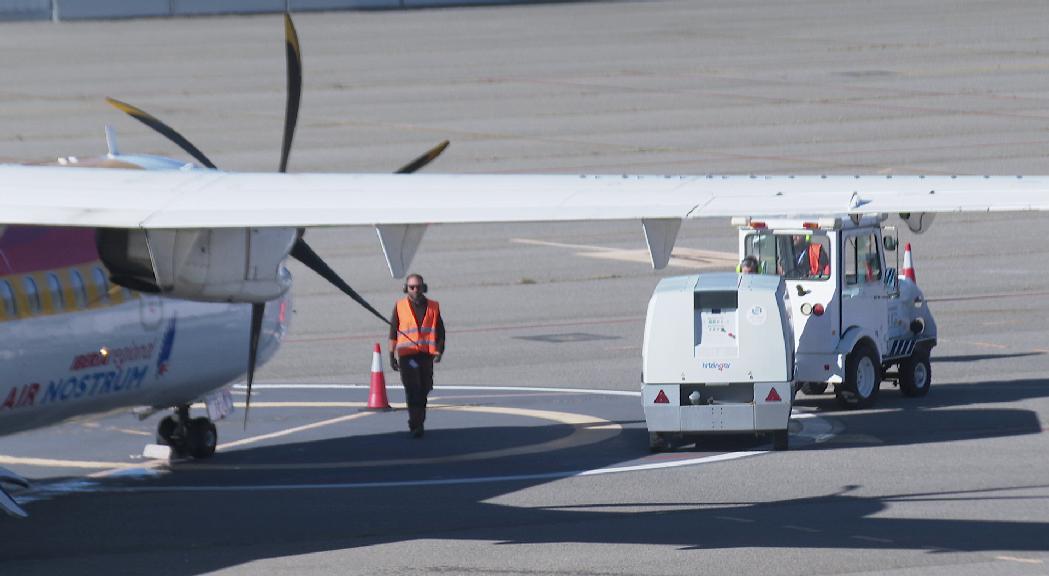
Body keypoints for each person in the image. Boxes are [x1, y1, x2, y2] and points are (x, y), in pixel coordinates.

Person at [388, 273, 445, 438]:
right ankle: (416, 424)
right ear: (406, 288)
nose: (415, 290)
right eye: (412, 287)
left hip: (426, 356)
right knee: (413, 389)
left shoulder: (433, 307)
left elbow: (440, 332)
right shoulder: (400, 307)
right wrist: (392, 355)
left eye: (418, 287)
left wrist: (440, 351)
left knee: (425, 388)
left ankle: (419, 419)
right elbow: (393, 333)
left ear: (424, 288)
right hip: (408, 356)